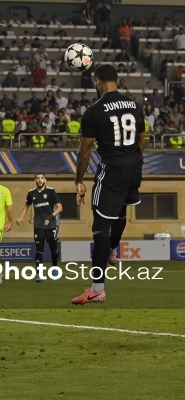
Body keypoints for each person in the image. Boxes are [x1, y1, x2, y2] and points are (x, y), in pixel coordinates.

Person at [73, 64, 145, 305]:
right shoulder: (135, 106)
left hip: (111, 169)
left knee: (100, 227)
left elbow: (84, 153)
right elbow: (142, 139)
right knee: (121, 211)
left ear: (97, 82)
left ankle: (97, 289)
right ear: (116, 80)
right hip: (134, 167)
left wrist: (79, 180)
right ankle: (113, 249)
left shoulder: (94, 111)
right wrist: (131, 161)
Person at [16, 173, 63, 282]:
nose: (40, 180)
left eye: (42, 178)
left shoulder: (51, 191)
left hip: (51, 225)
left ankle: (55, 268)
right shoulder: (31, 193)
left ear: (45, 180)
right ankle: (39, 275)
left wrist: (49, 217)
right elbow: (27, 205)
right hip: (38, 225)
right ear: (35, 180)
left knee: (54, 250)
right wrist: (21, 217)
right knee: (39, 250)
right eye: (38, 178)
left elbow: (60, 208)